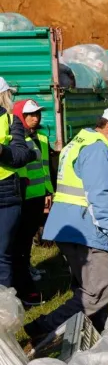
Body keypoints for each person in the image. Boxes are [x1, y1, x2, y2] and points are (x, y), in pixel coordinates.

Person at [25, 108, 108, 340]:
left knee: (85, 288)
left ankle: (91, 334)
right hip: (86, 228)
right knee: (98, 291)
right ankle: (44, 327)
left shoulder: (82, 139)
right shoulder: (98, 149)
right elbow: (98, 196)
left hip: (69, 225)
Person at [11, 100, 52, 306]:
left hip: (38, 196)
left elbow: (45, 168)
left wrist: (48, 192)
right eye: (29, 114)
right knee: (20, 241)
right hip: (23, 197)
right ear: (19, 116)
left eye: (37, 113)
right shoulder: (16, 140)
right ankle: (23, 276)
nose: (35, 118)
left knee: (27, 239)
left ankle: (27, 267)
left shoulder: (41, 137)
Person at [0, 78, 31, 293]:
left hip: (5, 196)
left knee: (1, 254)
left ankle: (3, 314)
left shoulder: (11, 120)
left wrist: (2, 151)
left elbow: (21, 155)